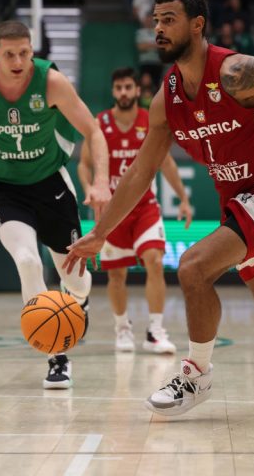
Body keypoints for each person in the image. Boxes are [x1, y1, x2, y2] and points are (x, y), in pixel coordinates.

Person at [64, 0, 254, 417]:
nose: (158, 29)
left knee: (193, 267)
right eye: (156, 20)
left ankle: (196, 374)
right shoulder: (167, 98)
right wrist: (100, 233)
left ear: (197, 24)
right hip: (238, 202)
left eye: (169, 19)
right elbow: (141, 172)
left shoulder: (238, 72)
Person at [0, 20, 111, 389]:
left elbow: (93, 130)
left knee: (74, 279)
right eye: (9, 54)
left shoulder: (52, 82)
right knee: (27, 261)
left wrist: (102, 181)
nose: (17, 61)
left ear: (32, 51)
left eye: (24, 53)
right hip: (2, 188)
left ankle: (79, 300)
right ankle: (56, 355)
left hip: (51, 185)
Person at [78, 67, 192, 353]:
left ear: (137, 91)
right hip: (111, 210)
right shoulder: (99, 123)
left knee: (154, 260)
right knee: (116, 276)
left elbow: (166, 163)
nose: (124, 93)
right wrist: (89, 187)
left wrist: (184, 199)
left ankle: (155, 331)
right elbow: (84, 164)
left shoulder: (150, 121)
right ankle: (122, 329)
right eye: (119, 88)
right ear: (113, 92)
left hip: (144, 206)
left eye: (128, 87)